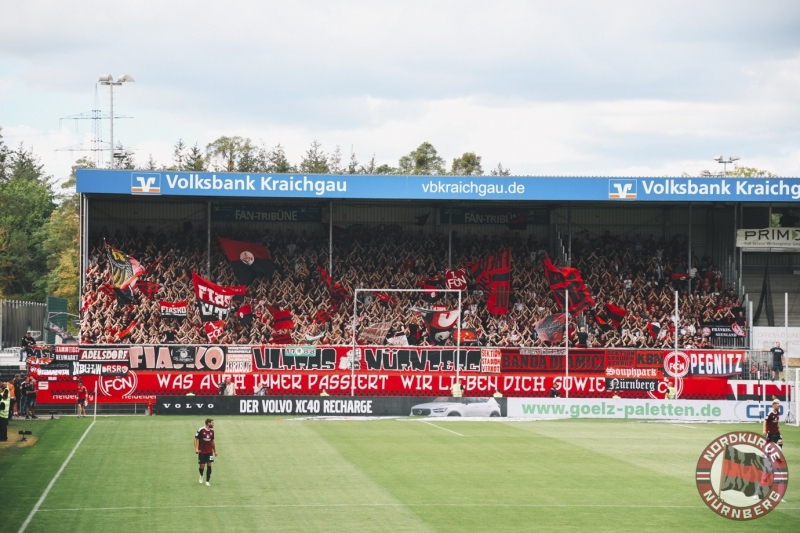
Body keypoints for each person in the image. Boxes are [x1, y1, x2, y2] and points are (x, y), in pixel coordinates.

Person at [194, 418, 217, 486]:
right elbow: (195, 439)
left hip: (209, 451)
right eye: (212, 423)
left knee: (209, 464)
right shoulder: (201, 430)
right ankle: (201, 475)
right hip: (202, 451)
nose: (213, 424)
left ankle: (207, 481)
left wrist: (215, 451)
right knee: (202, 466)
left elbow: (212, 442)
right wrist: (196, 448)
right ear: (208, 423)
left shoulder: (212, 431)